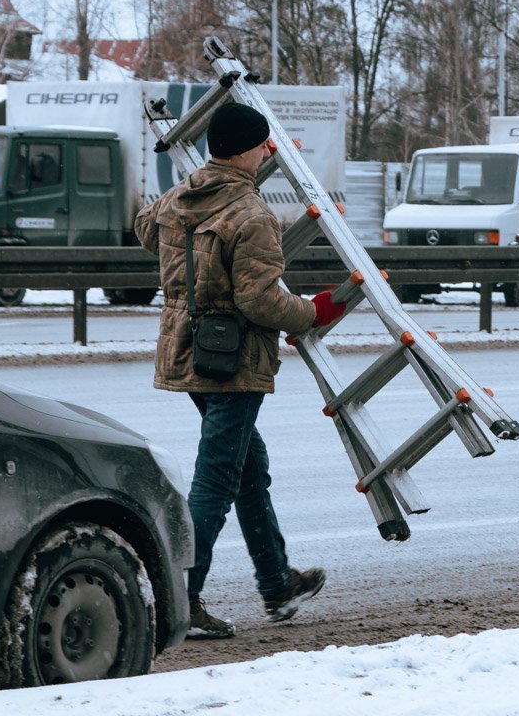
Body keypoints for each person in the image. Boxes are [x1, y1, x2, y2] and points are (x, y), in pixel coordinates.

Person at [134, 101, 345, 639]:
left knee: (248, 466)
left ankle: (276, 582)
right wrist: (317, 311)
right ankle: (181, 600)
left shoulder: (179, 197)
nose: (268, 151)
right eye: (264, 144)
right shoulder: (252, 215)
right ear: (251, 150)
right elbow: (260, 301)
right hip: (233, 361)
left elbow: (144, 226)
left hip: (185, 349)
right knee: (217, 480)